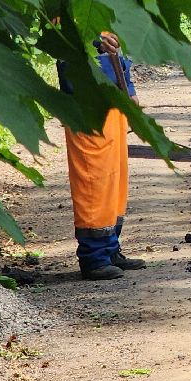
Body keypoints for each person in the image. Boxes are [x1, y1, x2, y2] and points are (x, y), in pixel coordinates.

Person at [58, 33, 145, 281]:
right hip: (85, 98)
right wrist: (95, 38)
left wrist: (128, 87)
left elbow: (116, 45)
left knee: (114, 178)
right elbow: (58, 30)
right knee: (93, 178)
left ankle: (110, 250)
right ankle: (94, 257)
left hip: (113, 94)